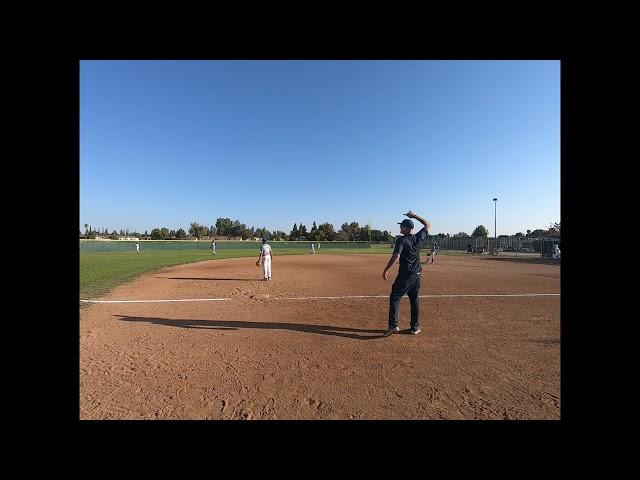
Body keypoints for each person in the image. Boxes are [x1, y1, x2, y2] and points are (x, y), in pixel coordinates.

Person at [382, 210, 431, 336]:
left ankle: (393, 326)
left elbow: (396, 255)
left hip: (405, 275)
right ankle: (415, 327)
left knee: (395, 297)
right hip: (417, 275)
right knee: (414, 299)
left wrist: (386, 269)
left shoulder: (401, 240)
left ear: (406, 228)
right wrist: (414, 216)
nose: (399, 227)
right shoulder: (418, 237)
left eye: (401, 226)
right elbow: (427, 224)